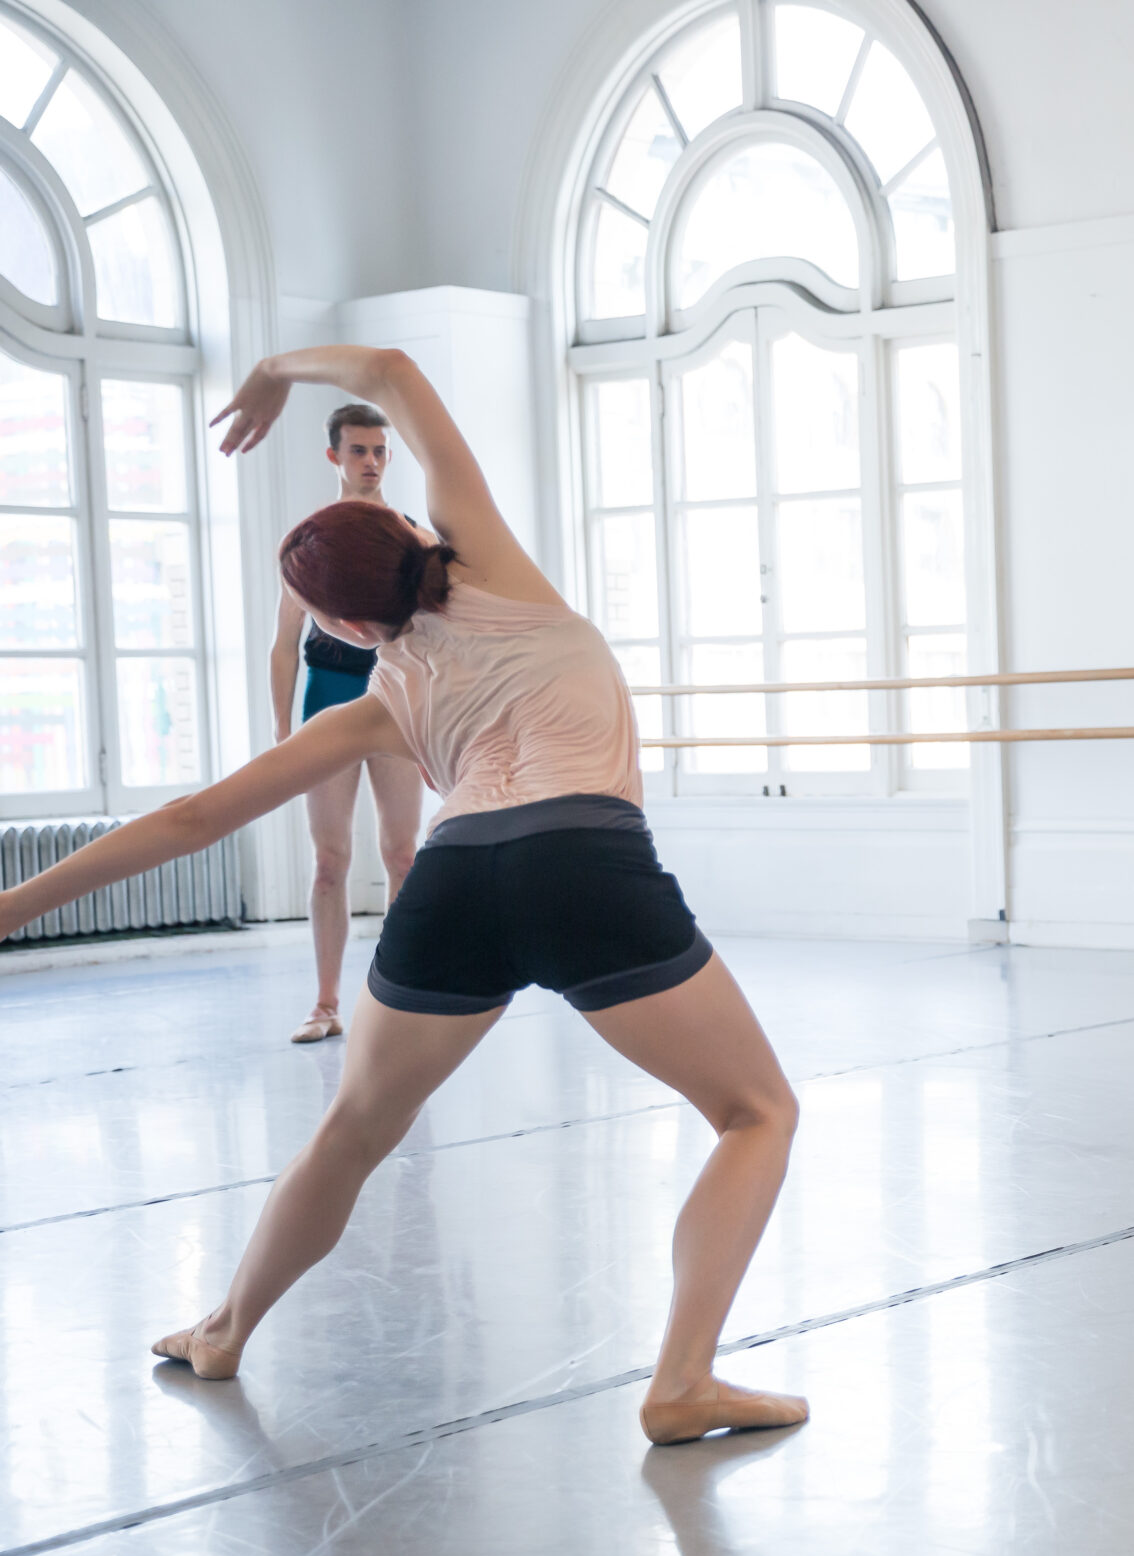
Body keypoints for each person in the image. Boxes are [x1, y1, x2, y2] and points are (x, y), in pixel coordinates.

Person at [0, 345, 805, 1445]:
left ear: (342, 626)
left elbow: (189, 819)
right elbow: (390, 368)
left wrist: (7, 911)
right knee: (755, 1112)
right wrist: (280, 371)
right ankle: (681, 1380)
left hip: (456, 881)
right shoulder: (496, 570)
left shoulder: (376, 705)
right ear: (414, 539)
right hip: (585, 863)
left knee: (351, 1132)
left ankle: (227, 1327)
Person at [266, 402, 429, 1043]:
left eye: (380, 451)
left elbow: (432, 641)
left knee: (401, 854)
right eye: (358, 450)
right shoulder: (310, 540)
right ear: (334, 456)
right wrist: (283, 734)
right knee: (329, 860)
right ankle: (326, 1003)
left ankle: (401, 998)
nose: (370, 462)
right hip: (327, 701)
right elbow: (283, 642)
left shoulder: (411, 536)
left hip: (392, 704)